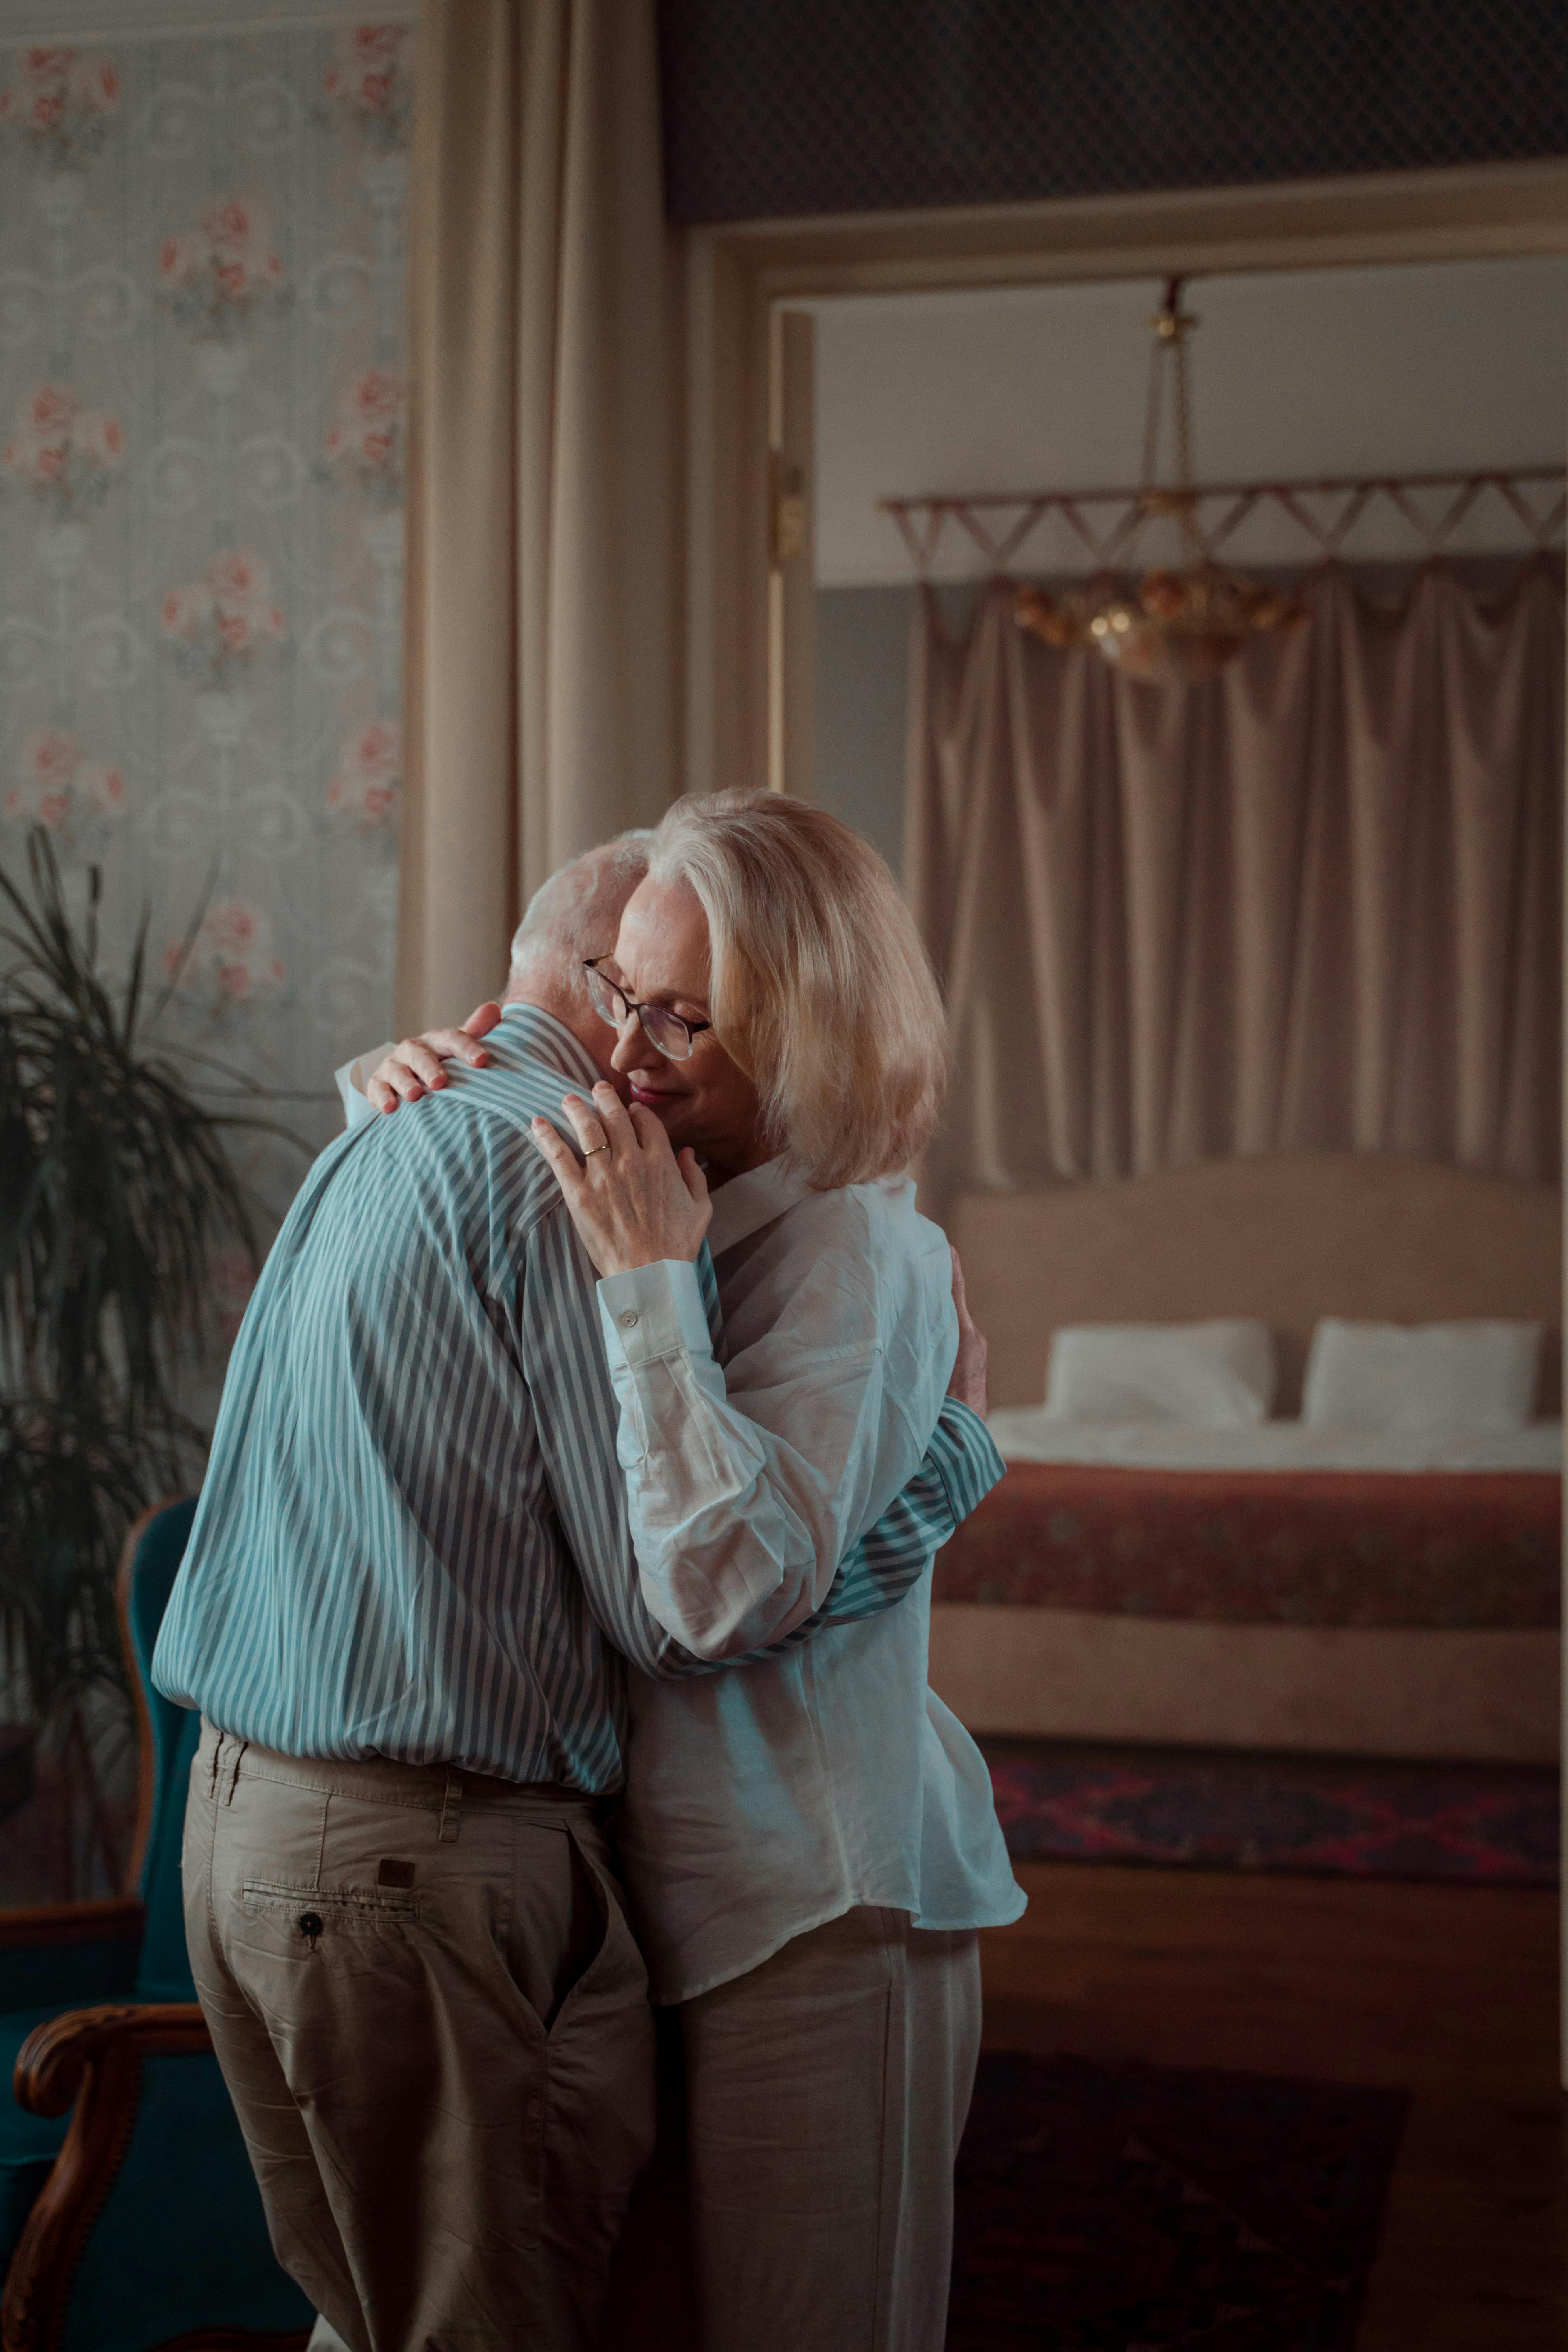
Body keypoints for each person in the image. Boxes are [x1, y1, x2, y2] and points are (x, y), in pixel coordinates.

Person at [154, 832, 1002, 2352]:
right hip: (585, 1875)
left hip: (805, 1880)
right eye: (620, 995)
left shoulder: (847, 1248)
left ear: (803, 1020)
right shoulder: (623, 1178)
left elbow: (705, 1602)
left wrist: (946, 1470)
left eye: (679, 1013)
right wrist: (391, 1090)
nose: (620, 1052)